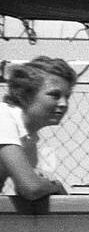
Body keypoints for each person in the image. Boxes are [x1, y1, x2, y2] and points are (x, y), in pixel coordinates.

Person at [1, 56, 75, 200]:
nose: (64, 104)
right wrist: (55, 185)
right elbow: (31, 188)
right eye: (55, 95)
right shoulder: (3, 118)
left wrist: (44, 184)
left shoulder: (28, 140)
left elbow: (27, 192)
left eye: (67, 97)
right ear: (26, 94)